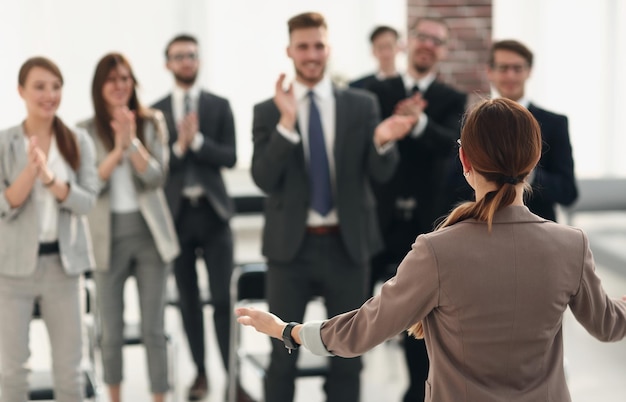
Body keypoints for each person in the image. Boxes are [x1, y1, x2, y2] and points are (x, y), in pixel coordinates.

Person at [237, 97, 626, 402]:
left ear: (464, 160)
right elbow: (610, 324)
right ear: (535, 159)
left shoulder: (437, 251)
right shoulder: (571, 246)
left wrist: (288, 331)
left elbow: (363, 330)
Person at [250, 11, 416, 402]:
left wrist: (382, 141)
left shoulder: (361, 105)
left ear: (329, 49)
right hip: (290, 251)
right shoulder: (268, 111)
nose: (311, 54)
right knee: (282, 357)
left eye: (318, 45)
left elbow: (381, 172)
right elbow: (263, 178)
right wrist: (287, 123)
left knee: (348, 357)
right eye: (303, 46)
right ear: (289, 50)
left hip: (347, 248)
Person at [361, 16, 467, 402]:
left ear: (443, 51)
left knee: (421, 315)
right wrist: (389, 129)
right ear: (408, 42)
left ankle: (415, 391)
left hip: (426, 225)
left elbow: (450, 145)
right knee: (357, 306)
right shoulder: (372, 90)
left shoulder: (452, 99)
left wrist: (419, 122)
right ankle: (347, 382)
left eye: (436, 41)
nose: (428, 45)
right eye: (422, 36)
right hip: (375, 221)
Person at [78, 52, 179, 402]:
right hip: (107, 239)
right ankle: (115, 396)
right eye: (112, 79)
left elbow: (155, 177)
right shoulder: (85, 131)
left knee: (153, 328)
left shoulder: (152, 122)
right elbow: (90, 185)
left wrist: (132, 142)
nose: (120, 85)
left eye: (125, 78)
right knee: (111, 331)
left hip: (150, 235)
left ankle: (159, 397)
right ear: (99, 87)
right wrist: (116, 149)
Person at [0, 56, 98, 401]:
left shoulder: (77, 140)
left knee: (70, 370)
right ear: (21, 91)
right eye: (40, 86)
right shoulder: (4, 142)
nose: (49, 94)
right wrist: (30, 172)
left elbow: (87, 202)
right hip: (12, 271)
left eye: (55, 87)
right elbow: (3, 206)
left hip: (64, 266)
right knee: (12, 371)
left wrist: (51, 179)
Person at [151, 34, 243, 401]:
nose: (186, 61)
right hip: (176, 217)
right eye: (179, 56)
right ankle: (201, 374)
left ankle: (232, 377)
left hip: (214, 214)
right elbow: (155, 169)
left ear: (199, 60)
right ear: (168, 63)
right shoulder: (155, 111)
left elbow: (231, 156)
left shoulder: (218, 106)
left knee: (223, 299)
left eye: (191, 55)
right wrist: (179, 146)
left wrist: (200, 142)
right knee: (187, 299)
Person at [485, 39, 578, 221]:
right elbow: (453, 183)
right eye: (503, 68)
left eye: (517, 69)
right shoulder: (474, 122)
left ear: (529, 71)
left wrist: (528, 173)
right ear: (490, 72)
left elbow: (568, 192)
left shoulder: (555, 123)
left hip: (539, 230)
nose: (511, 76)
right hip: (485, 227)